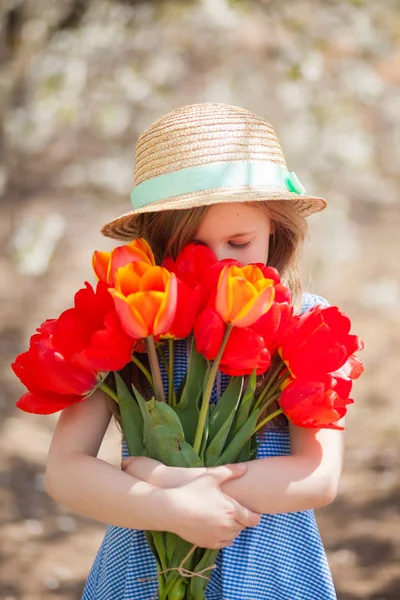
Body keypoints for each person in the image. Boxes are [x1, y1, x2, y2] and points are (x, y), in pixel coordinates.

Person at [45, 103, 342, 600]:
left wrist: (167, 478)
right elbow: (64, 470)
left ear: (277, 230)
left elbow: (318, 475)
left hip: (270, 569)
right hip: (142, 561)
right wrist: (168, 510)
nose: (221, 264)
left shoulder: (306, 322)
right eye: (193, 248)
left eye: (239, 242)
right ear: (157, 244)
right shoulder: (128, 319)